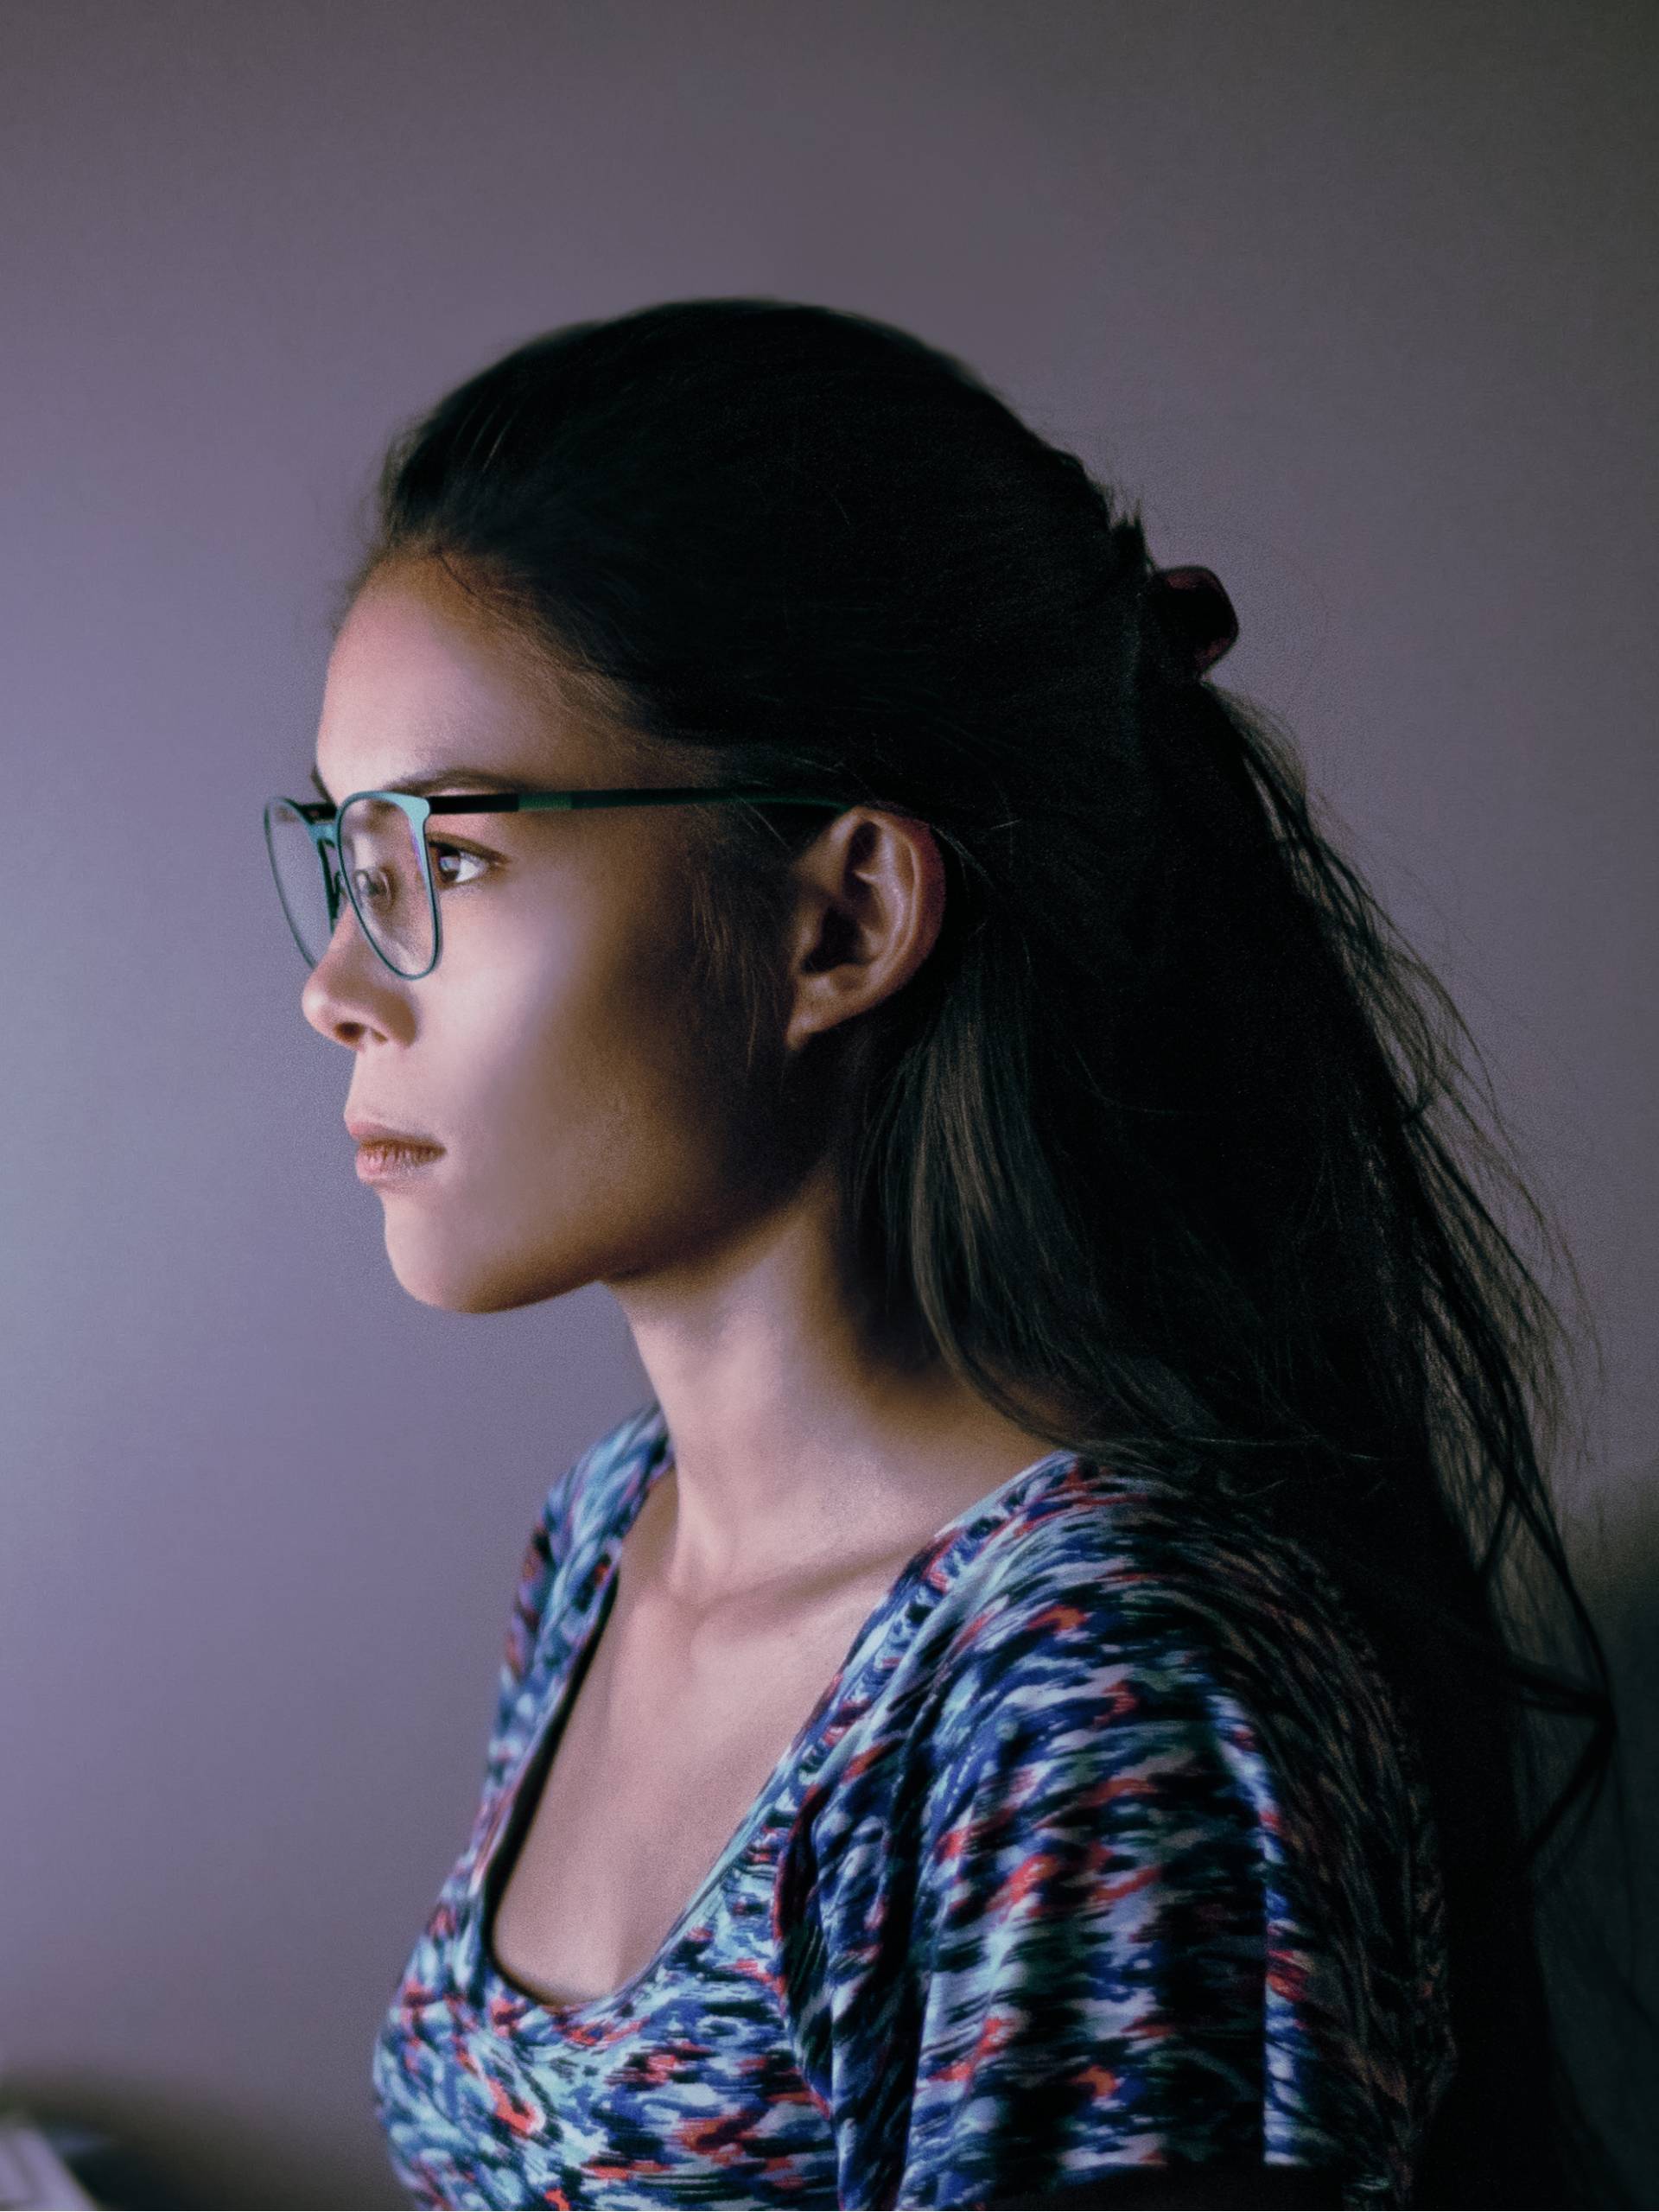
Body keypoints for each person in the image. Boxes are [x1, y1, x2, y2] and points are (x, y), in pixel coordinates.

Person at [268, 298, 1644, 2209]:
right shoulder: (608, 1536)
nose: (339, 985)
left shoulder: (1093, 1692)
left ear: (844, 914)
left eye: (447, 858)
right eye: (343, 856)